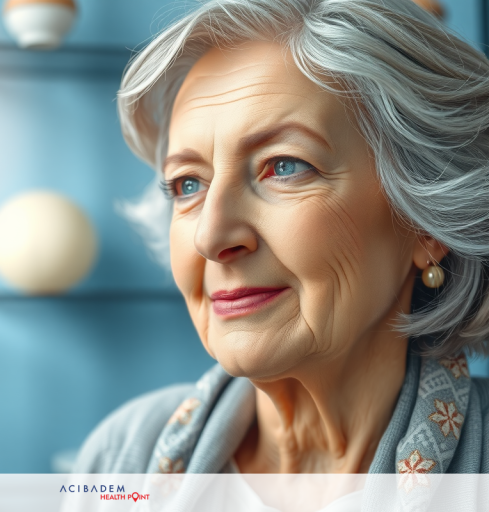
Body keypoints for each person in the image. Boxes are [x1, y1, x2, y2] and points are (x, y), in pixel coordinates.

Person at [73, 0, 489, 475]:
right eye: (188, 184)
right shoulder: (120, 458)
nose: (210, 236)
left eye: (284, 166)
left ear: (426, 223)